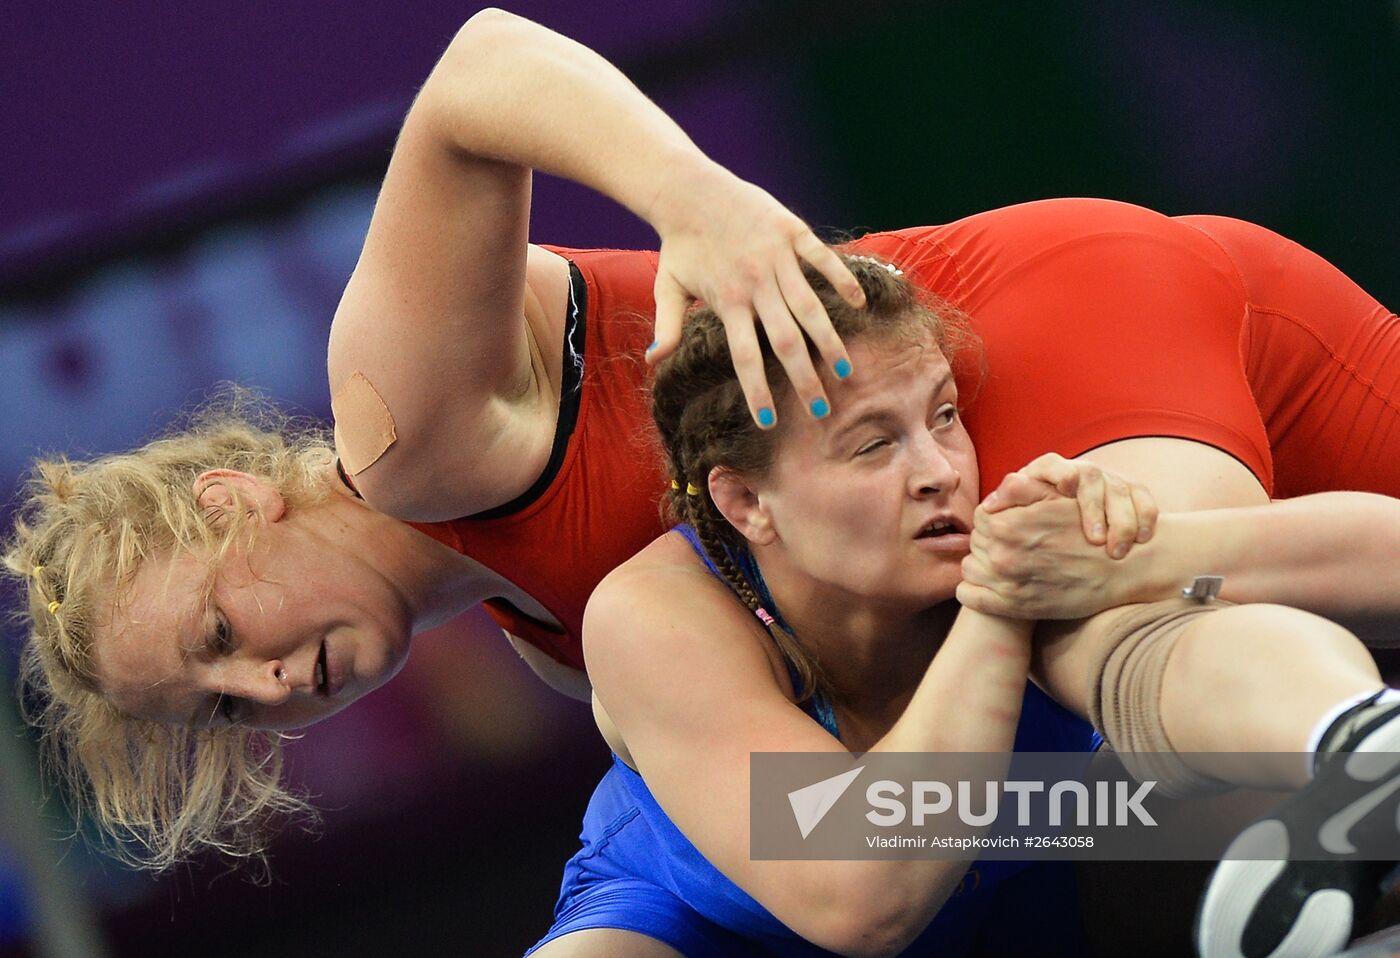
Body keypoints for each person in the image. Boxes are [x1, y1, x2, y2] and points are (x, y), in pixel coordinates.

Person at [5, 6, 1400, 916]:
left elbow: (480, 66)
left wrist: (702, 205)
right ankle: (1341, 773)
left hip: (1026, 336)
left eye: (220, 630)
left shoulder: (401, 431)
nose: (269, 682)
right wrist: (1136, 814)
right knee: (1100, 660)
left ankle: (1352, 785)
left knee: (1116, 628)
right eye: (224, 702)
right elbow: (911, 820)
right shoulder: (560, 633)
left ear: (233, 499)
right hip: (1187, 293)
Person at [528, 254, 1400, 958]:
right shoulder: (655, 611)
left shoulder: (1018, 521)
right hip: (726, 927)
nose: (940, 468)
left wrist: (1165, 557)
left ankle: (1359, 742)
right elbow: (858, 896)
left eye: (944, 416)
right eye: (874, 444)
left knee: (1149, 653)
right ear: (747, 503)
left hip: (1055, 857)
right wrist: (996, 608)